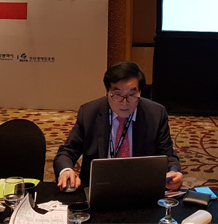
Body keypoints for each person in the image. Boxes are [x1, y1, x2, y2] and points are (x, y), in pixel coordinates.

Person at [53, 62, 183, 191]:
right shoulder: (89, 113)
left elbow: (168, 156)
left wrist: (173, 172)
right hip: (99, 187)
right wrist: (66, 170)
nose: (124, 102)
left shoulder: (156, 114)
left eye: (131, 95)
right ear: (107, 92)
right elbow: (67, 152)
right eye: (117, 95)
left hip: (142, 188)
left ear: (140, 92)